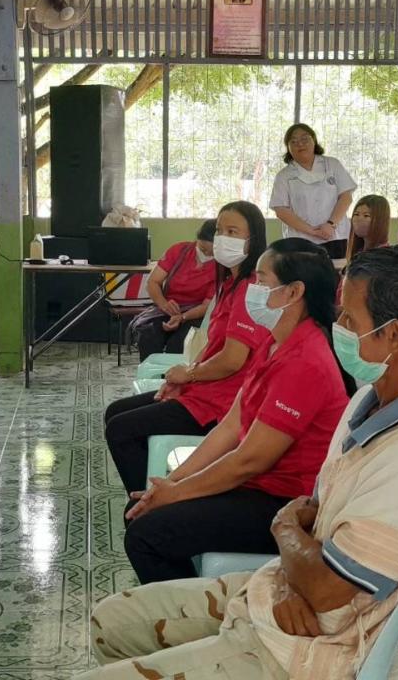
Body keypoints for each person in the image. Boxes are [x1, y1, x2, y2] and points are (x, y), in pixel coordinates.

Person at [77, 246, 398, 680]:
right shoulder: (369, 399)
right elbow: (317, 517)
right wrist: (291, 574)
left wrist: (284, 529)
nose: (338, 328)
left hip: (316, 650)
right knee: (108, 622)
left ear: (396, 335)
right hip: (280, 597)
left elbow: (325, 585)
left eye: (349, 320)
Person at [122, 240, 350, 584]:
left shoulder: (306, 361)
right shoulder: (275, 342)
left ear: (293, 292)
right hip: (258, 485)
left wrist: (177, 493)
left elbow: (250, 460)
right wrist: (171, 483)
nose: (252, 291)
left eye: (262, 281)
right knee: (142, 515)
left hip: (285, 503)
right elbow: (230, 428)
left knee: (146, 534)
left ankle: (188, 616)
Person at [104, 201, 271, 498]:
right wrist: (182, 382)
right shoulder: (229, 281)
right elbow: (213, 347)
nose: (222, 238)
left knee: (121, 429)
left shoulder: (250, 288)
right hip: (205, 389)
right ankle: (152, 491)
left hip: (223, 403)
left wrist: (189, 375)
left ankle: (148, 504)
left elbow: (233, 360)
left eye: (233, 231)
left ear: (252, 240)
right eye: (220, 230)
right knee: (116, 413)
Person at [269, 123, 357, 259]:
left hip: (335, 236)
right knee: (303, 278)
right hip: (300, 239)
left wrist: (330, 225)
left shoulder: (332, 164)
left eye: (305, 139)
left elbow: (346, 197)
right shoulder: (284, 175)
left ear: (314, 141)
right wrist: (311, 231)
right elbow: (281, 210)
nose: (300, 144)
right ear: (288, 148)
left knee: (335, 276)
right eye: (294, 141)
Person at [135, 220, 218, 359]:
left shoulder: (221, 268)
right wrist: (164, 305)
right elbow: (153, 282)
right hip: (166, 308)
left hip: (195, 314)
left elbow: (206, 306)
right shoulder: (179, 251)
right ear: (197, 239)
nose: (206, 254)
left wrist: (182, 317)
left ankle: (174, 379)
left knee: (180, 344)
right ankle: (149, 377)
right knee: (148, 336)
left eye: (212, 253)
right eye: (202, 249)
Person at [344, 194, 391, 260]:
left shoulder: (383, 255)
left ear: (380, 220)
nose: (359, 219)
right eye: (356, 214)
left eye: (366, 215)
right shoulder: (359, 251)